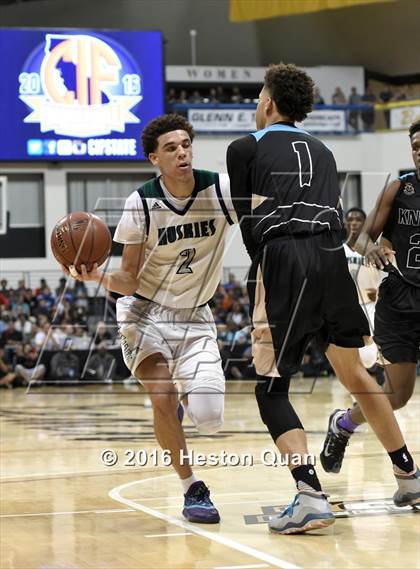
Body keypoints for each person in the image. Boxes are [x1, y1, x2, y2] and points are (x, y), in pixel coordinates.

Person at [226, 63, 419, 535]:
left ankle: (310, 495)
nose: (256, 104)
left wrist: (269, 269)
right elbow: (332, 211)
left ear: (269, 102)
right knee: (355, 373)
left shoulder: (244, 147)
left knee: (270, 387)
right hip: (331, 259)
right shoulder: (326, 149)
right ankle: (409, 477)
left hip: (285, 259)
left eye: (258, 97)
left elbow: (248, 224)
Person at [61, 114, 237, 524]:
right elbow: (126, 277)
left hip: (195, 315)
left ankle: (182, 408)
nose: (182, 152)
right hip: (144, 312)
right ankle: (192, 486)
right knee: (162, 394)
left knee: (209, 420)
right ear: (154, 158)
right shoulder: (140, 202)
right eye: (172, 148)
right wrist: (96, 276)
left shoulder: (222, 189)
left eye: (186, 145)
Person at [321, 119, 420, 496]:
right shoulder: (400, 188)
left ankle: (407, 478)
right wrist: (373, 248)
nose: (419, 151)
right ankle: (343, 425)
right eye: (415, 145)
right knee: (397, 396)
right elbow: (362, 239)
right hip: (400, 300)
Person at [343, 207, 381, 372]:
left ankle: (375, 384)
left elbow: (387, 277)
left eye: (358, 220)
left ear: (365, 224)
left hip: (370, 306)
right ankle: (356, 397)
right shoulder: (339, 252)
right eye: (350, 219)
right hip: (346, 308)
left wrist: (379, 293)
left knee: (369, 358)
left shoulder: (374, 250)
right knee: (350, 357)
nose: (354, 223)